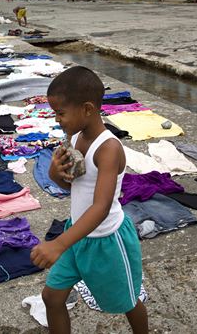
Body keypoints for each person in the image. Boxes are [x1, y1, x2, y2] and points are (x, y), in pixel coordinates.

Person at [31, 66, 148, 333]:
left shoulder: (109, 148)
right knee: (52, 297)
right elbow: (70, 183)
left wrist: (58, 243)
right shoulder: (74, 137)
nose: (57, 120)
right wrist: (54, 172)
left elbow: (101, 206)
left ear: (87, 109)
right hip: (77, 235)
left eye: (60, 113)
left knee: (128, 301)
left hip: (107, 241)